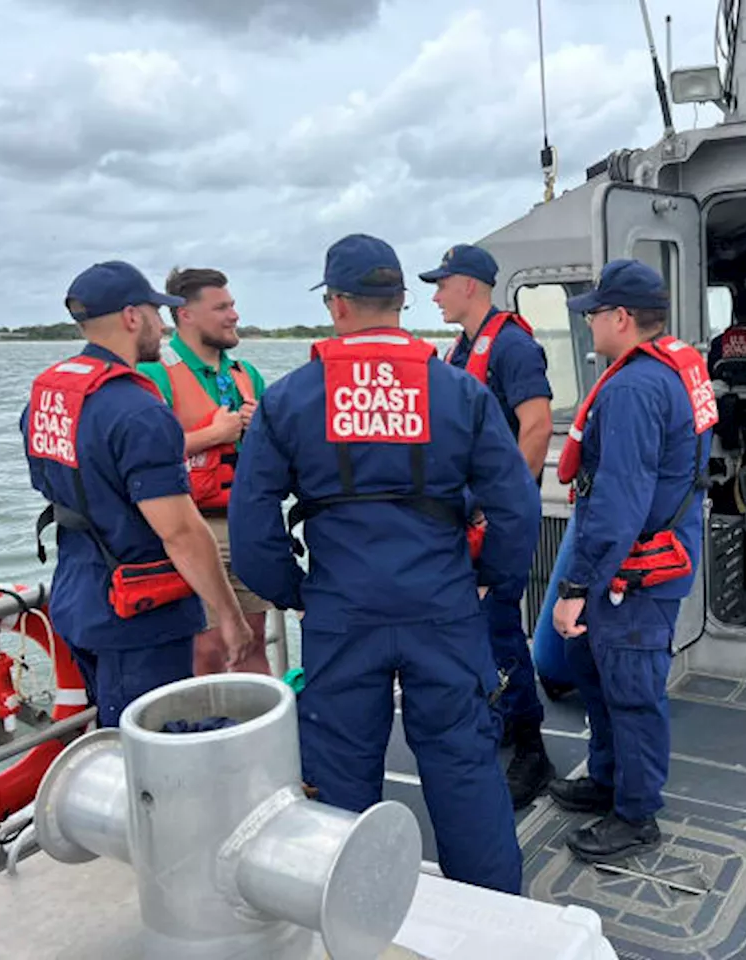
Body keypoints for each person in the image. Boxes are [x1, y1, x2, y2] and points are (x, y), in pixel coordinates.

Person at [227, 234, 540, 894]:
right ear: (400, 302)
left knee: (339, 777)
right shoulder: (461, 392)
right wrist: (487, 582)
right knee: (464, 767)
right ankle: (495, 925)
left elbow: (252, 530)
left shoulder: (287, 399)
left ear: (337, 305)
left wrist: (300, 592)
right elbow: (515, 509)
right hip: (445, 606)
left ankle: (347, 914)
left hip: (342, 610)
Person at [22, 261, 254, 728]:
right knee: (151, 745)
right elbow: (181, 531)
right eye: (156, 313)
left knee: (113, 729)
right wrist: (230, 615)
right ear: (132, 317)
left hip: (75, 597)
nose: (162, 325)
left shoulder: (49, 392)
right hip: (138, 611)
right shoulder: (138, 411)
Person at [549, 259, 716, 862]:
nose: (588, 323)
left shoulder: (633, 388)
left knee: (632, 687)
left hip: (635, 571)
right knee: (594, 670)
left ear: (620, 318)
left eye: (594, 313)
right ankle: (607, 778)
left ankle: (636, 814)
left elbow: (618, 503)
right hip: (645, 558)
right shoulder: (671, 370)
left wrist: (574, 587)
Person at [419, 243, 556, 810]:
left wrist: (506, 506)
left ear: (469, 286)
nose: (434, 295)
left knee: (499, 630)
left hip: (493, 521)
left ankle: (532, 746)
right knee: (472, 629)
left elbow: (538, 426)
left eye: (442, 284)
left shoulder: (515, 347)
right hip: (464, 520)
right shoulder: (460, 350)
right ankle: (500, 717)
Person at [138, 267, 272, 676]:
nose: (234, 315)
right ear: (186, 315)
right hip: (193, 528)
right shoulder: (155, 374)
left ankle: (267, 736)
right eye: (222, 308)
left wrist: (259, 428)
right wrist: (210, 435)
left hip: (247, 526)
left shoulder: (247, 375)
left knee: (253, 644)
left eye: (232, 306)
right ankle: (211, 735)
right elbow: (137, 457)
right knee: (208, 651)